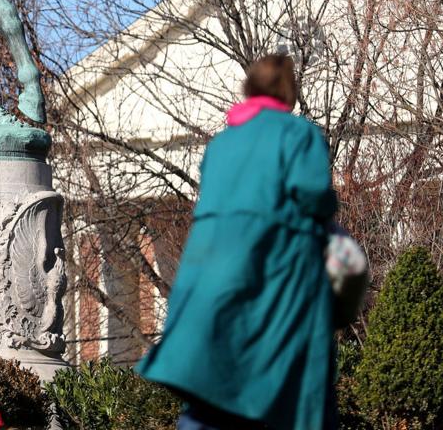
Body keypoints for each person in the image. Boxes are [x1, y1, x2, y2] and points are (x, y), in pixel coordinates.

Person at [135, 54, 338, 430]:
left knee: (211, 373)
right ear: (288, 92)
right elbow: (313, 194)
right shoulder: (298, 134)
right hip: (272, 264)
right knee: (289, 374)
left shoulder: (221, 144)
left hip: (206, 267)